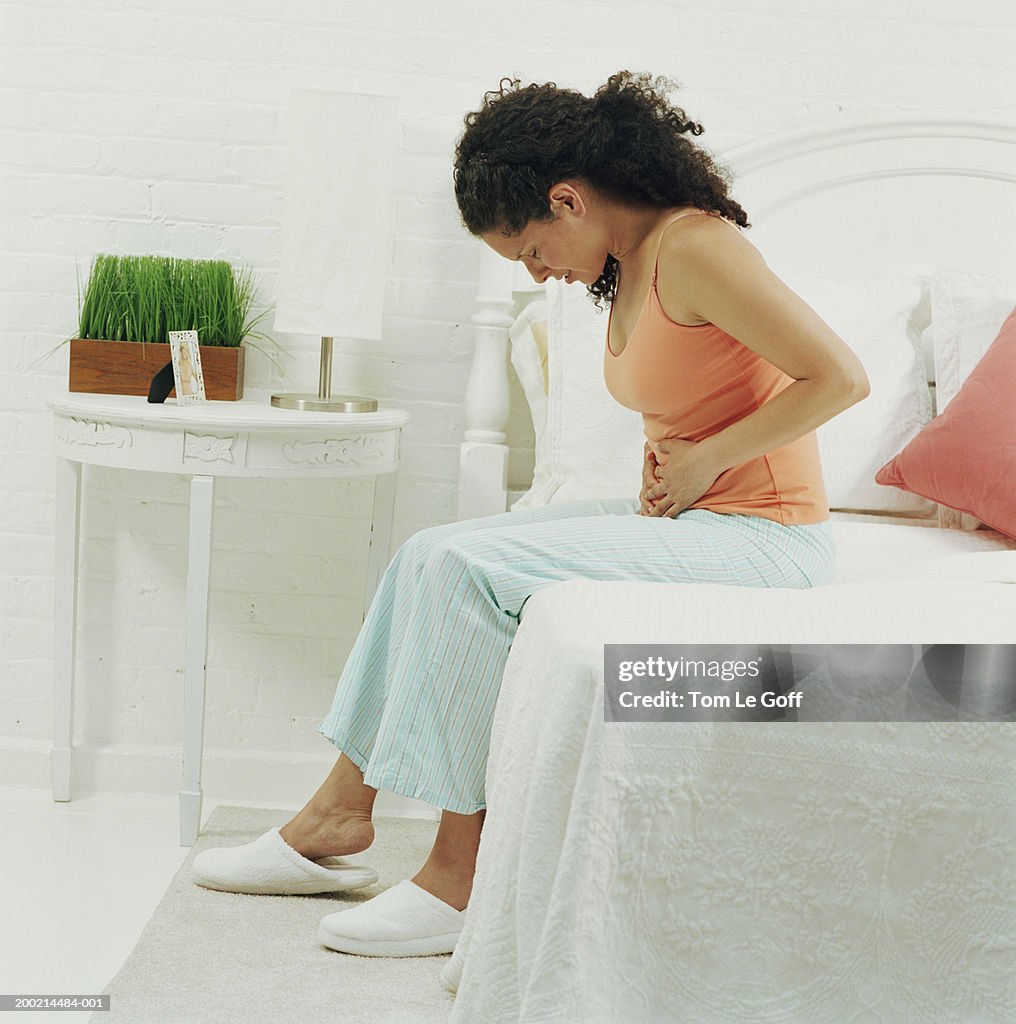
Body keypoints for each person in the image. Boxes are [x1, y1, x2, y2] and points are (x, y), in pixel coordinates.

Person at [192, 70, 869, 959]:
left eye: (532, 250)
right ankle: (334, 817)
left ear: (567, 199)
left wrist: (709, 458)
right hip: (697, 522)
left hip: (769, 540)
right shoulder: (633, 266)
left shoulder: (699, 246)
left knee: (474, 575)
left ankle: (456, 879)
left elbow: (841, 378)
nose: (540, 272)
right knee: (430, 552)